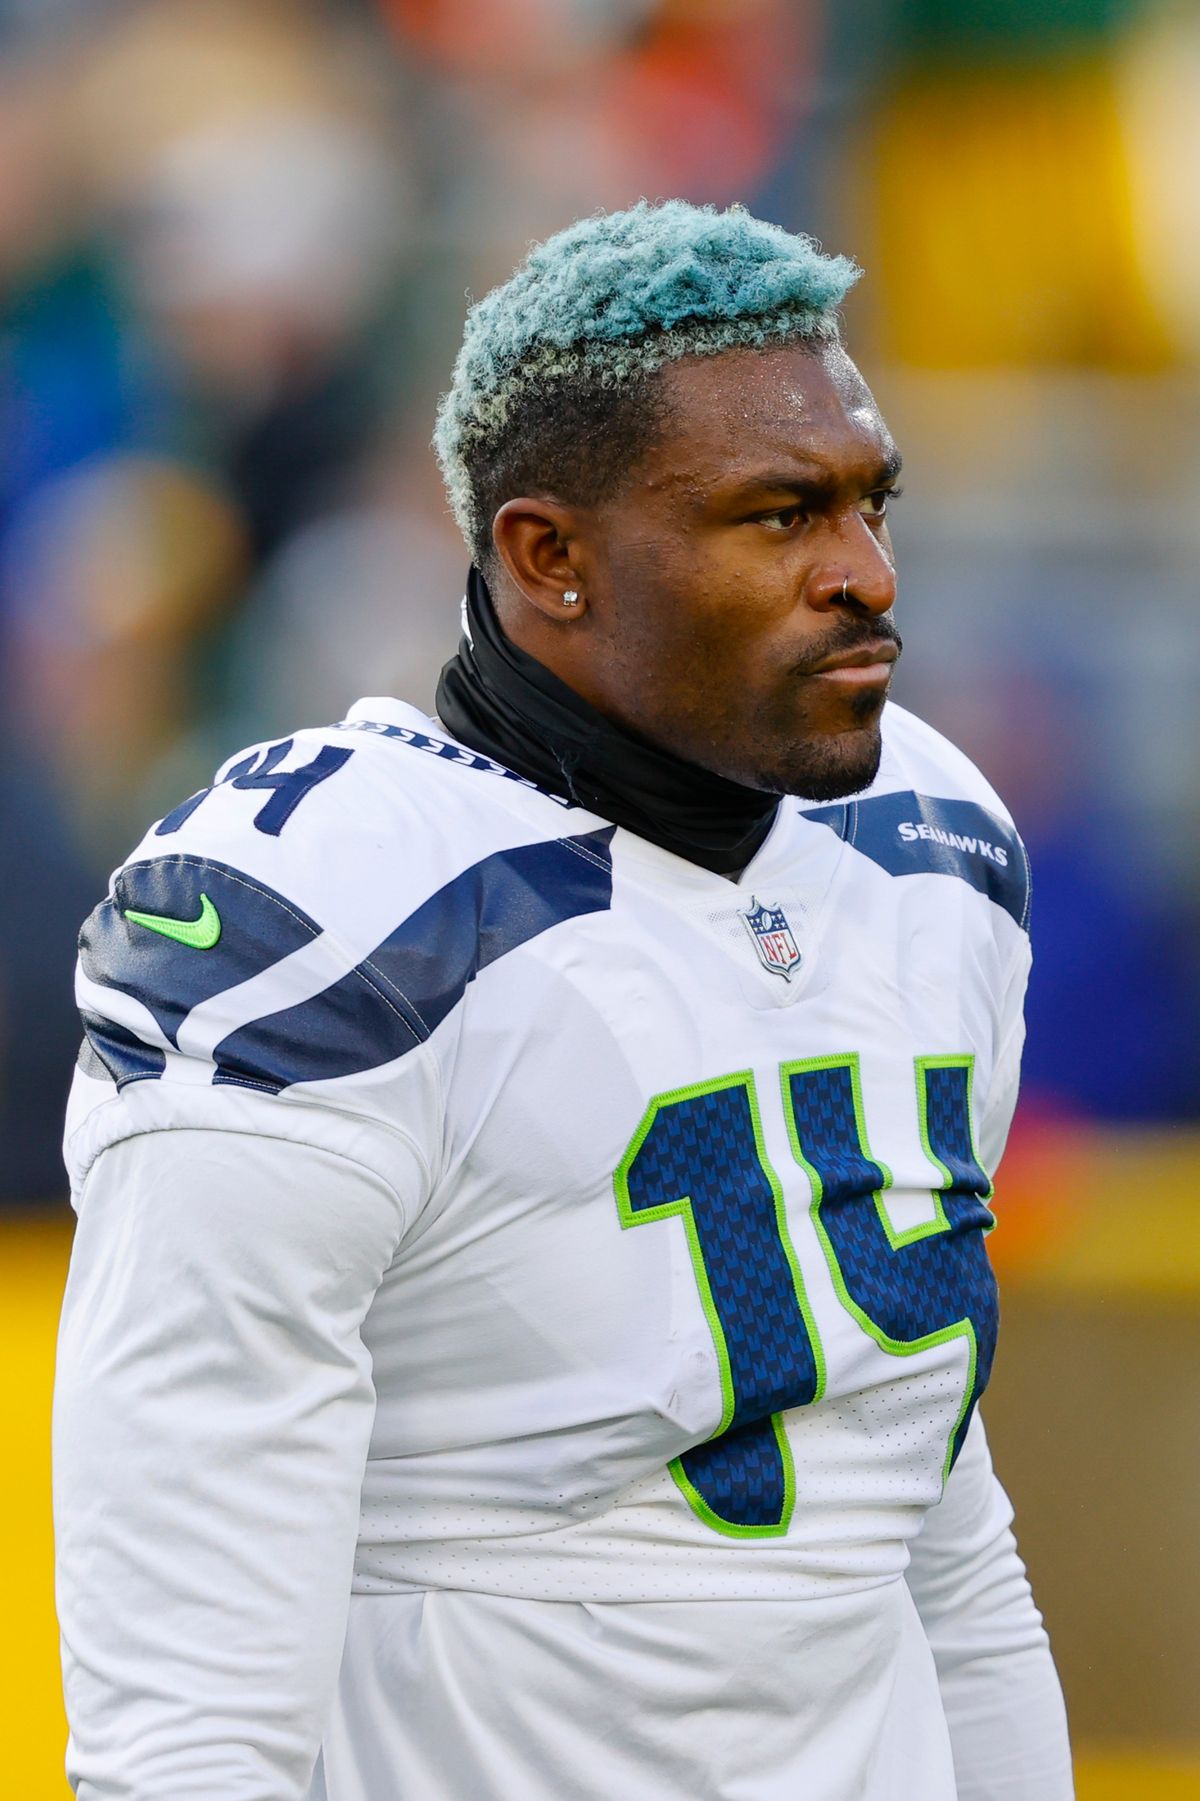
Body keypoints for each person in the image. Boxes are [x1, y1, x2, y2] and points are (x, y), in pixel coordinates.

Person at [54, 200, 1073, 1801]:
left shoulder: (934, 850)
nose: (866, 576)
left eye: (874, 503)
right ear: (548, 556)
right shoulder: (329, 919)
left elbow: (932, 1524)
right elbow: (184, 1715)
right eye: (780, 514)